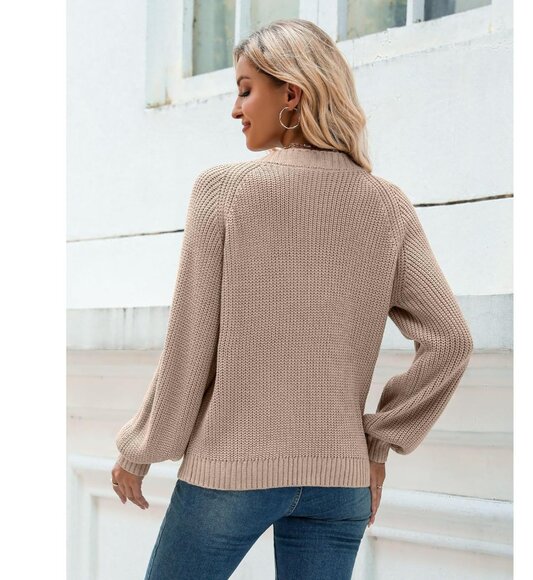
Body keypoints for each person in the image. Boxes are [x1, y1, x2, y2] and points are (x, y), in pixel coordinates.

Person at [111, 18, 473, 580]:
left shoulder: (223, 191)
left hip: (231, 469)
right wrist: (376, 444)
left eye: (245, 89)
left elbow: (189, 342)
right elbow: (451, 341)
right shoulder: (387, 204)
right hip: (340, 481)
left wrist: (141, 448)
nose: (235, 109)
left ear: (292, 94)